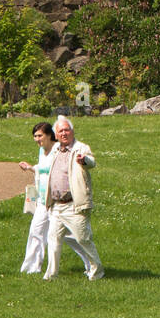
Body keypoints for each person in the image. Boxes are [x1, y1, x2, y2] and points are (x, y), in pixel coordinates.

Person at [43, 115, 104, 282]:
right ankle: (51, 275)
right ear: (56, 134)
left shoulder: (81, 148)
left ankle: (97, 271)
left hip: (74, 205)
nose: (64, 133)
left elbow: (92, 162)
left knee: (83, 239)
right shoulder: (55, 149)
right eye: (60, 130)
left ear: (72, 131)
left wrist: (84, 160)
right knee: (53, 241)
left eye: (67, 130)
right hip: (56, 206)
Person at [18, 122, 56, 274]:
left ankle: (92, 264)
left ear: (49, 135)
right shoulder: (42, 151)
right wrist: (30, 168)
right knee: (36, 231)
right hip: (42, 200)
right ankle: (31, 268)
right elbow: (42, 169)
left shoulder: (59, 150)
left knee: (71, 236)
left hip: (58, 201)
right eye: (35, 136)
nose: (37, 139)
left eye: (40, 135)